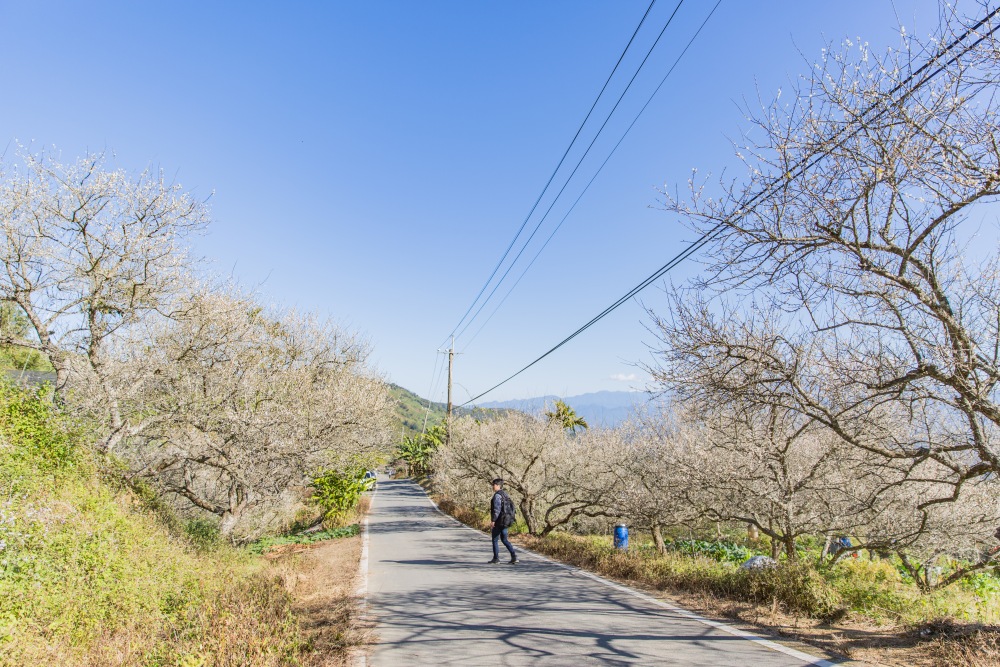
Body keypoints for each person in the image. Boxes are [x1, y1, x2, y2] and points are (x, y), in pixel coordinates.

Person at [488, 478, 518, 564]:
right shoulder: (505, 494)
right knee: (504, 540)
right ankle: (514, 556)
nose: (492, 486)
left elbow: (497, 509)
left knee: (495, 539)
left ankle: (496, 558)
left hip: (499, 521)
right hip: (506, 520)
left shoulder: (497, 496)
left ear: (498, 485)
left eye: (493, 485)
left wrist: (493, 520)